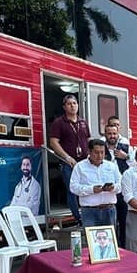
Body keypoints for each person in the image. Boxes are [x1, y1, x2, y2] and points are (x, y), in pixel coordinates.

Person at [48, 94, 90, 223]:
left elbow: (88, 139)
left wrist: (90, 154)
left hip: (84, 163)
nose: (72, 106)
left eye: (74, 103)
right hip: (68, 163)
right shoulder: (59, 122)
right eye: (69, 104)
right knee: (72, 190)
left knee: (86, 189)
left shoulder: (83, 122)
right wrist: (67, 157)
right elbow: (54, 142)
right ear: (64, 107)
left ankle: (87, 214)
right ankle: (78, 218)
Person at [69, 139, 121, 228]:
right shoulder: (80, 167)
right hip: (89, 211)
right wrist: (91, 189)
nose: (100, 156)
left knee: (109, 241)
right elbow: (73, 187)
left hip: (109, 210)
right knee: (91, 241)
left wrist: (113, 187)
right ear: (89, 151)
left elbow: (121, 185)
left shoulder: (112, 166)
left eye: (102, 152)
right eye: (96, 152)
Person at [103, 116, 134, 247]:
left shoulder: (126, 148)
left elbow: (136, 166)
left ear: (118, 134)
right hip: (106, 192)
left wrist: (125, 156)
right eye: (109, 133)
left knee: (124, 222)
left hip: (122, 191)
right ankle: (111, 248)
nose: (112, 136)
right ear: (105, 135)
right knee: (109, 224)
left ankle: (124, 249)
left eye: (114, 133)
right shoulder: (99, 148)